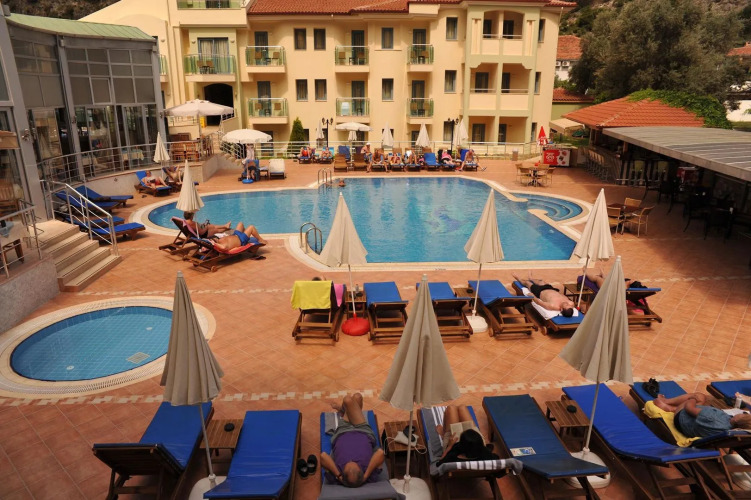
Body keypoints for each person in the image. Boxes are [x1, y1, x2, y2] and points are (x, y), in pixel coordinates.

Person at [321, 393, 385, 488]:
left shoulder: (337, 473)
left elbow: (323, 456)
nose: (351, 459)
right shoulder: (370, 474)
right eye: (355, 462)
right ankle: (343, 411)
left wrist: (338, 476)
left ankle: (343, 411)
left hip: (343, 431)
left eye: (347, 464)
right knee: (357, 397)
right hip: (363, 431)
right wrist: (366, 476)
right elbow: (380, 453)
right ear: (361, 470)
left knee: (348, 400)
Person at [653, 393, 751, 438]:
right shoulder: (730, 427)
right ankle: (674, 407)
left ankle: (668, 405)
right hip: (694, 424)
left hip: (681, 419)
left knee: (697, 396)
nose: (741, 413)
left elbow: (689, 408)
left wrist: (693, 399)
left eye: (743, 415)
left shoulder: (713, 418)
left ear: (738, 421)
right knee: (702, 397)